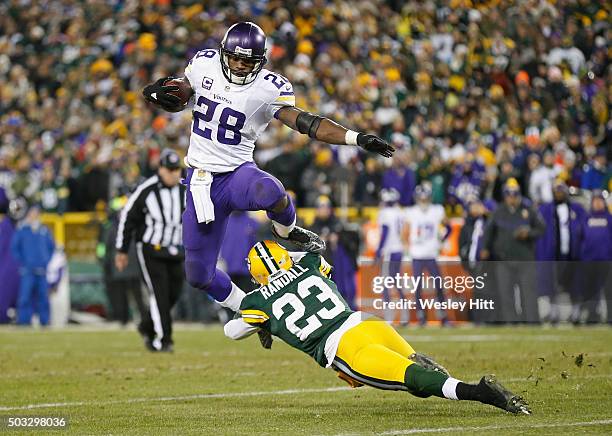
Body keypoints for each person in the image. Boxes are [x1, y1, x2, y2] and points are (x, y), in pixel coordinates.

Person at [142, 21, 394, 314]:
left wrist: (356, 138)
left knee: (271, 191)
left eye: (246, 60)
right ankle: (250, 310)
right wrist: (166, 91)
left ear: (259, 62)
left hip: (236, 173)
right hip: (200, 181)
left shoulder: (268, 88)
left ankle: (286, 231)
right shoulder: (204, 63)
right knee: (199, 275)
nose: (237, 65)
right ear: (223, 52)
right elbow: (184, 88)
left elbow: (306, 123)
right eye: (234, 57)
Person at [224, 240, 530, 415]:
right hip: (366, 322)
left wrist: (260, 325)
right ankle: (436, 376)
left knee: (417, 382)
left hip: (344, 346)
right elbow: (316, 254)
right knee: (419, 378)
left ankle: (479, 392)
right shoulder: (308, 265)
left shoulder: (256, 302)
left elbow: (232, 332)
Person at [115, 149, 186, 352]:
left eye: (176, 169)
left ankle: (146, 325)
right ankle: (164, 340)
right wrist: (122, 250)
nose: (174, 173)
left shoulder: (185, 188)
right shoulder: (147, 189)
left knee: (174, 292)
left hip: (176, 249)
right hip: (151, 250)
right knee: (160, 294)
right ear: (160, 169)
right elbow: (128, 218)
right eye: (170, 169)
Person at [481, 178, 546, 323]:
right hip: (504, 259)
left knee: (528, 292)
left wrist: (528, 233)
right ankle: (511, 322)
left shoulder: (528, 209)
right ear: (504, 195)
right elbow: (488, 232)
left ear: (519, 194)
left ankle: (531, 321)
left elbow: (542, 229)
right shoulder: (498, 211)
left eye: (515, 194)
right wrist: (485, 248)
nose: (512, 197)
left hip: (525, 258)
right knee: (505, 293)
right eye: (509, 194)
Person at [535, 180, 585, 323]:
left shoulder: (577, 209)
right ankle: (553, 312)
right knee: (552, 282)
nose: (558, 193)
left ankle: (576, 312)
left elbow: (583, 229)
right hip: (552, 252)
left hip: (572, 252)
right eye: (556, 190)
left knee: (574, 283)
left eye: (561, 190)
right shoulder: (545, 209)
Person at [404, 184, 450, 326]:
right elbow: (404, 233)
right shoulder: (411, 212)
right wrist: (407, 248)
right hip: (417, 255)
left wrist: (442, 240)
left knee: (439, 285)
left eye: (426, 199)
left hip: (431, 254)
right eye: (421, 199)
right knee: (417, 288)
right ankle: (421, 318)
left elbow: (448, 227)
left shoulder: (437, 210)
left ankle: (443, 317)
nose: (423, 201)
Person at [10, 204, 55, 326]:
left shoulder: (45, 231)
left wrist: (46, 261)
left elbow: (51, 248)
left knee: (43, 297)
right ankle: (24, 321)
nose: (34, 216)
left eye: (36, 214)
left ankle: (45, 321)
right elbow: (14, 248)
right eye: (32, 214)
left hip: (41, 270)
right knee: (25, 297)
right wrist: (22, 262)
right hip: (27, 270)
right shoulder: (22, 230)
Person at [578, 191, 612, 324]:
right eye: (595, 200)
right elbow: (579, 237)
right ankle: (592, 316)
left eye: (600, 200)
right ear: (591, 202)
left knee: (609, 291)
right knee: (591, 291)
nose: (597, 203)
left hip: (607, 260)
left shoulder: (609, 219)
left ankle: (610, 317)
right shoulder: (586, 218)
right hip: (589, 261)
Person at [375, 188, 408, 323]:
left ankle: (389, 317)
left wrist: (379, 249)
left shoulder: (385, 212)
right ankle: (405, 315)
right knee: (396, 282)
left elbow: (385, 231)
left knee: (385, 283)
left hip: (389, 251)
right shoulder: (400, 212)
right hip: (398, 249)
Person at [0, 198, 27, 323]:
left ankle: (19, 317)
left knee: (22, 295)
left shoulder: (24, 227)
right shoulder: (5, 226)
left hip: (19, 267)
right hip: (6, 266)